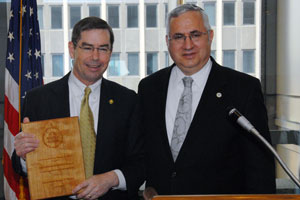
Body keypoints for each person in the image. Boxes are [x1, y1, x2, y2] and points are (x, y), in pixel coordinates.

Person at [138, 4, 276, 195]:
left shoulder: (243, 89)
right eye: (178, 37)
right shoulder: (149, 88)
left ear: (210, 36)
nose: (188, 45)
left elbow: (260, 168)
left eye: (195, 35)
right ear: (167, 41)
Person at [12, 17, 144, 200]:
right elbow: (18, 166)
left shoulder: (128, 100)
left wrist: (111, 178)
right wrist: (25, 156)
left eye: (103, 49)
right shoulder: (38, 99)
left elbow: (141, 162)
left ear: (110, 53)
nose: (95, 57)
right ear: (72, 49)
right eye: (88, 47)